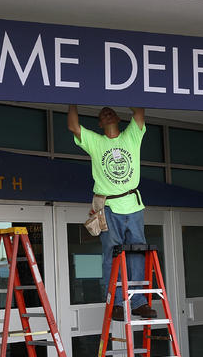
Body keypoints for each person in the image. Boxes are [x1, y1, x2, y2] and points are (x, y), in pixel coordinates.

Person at [67, 105, 157, 321]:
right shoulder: (96, 142)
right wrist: (72, 101)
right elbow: (73, 126)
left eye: (110, 111)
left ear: (117, 117)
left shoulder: (131, 137)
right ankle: (116, 302)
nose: (106, 113)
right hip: (108, 206)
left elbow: (139, 112)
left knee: (137, 253)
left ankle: (139, 302)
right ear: (99, 123)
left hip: (133, 205)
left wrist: (124, 93)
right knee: (111, 254)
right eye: (102, 114)